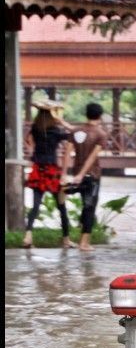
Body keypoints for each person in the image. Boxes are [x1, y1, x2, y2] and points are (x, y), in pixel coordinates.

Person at [22, 100, 74, 249]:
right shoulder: (56, 131)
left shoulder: (35, 128)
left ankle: (28, 235)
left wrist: (32, 151)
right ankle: (66, 239)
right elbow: (74, 133)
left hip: (38, 169)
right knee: (61, 207)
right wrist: (61, 121)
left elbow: (27, 139)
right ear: (52, 116)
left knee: (35, 206)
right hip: (52, 171)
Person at [65, 102, 108, 251]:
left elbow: (67, 152)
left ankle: (81, 235)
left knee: (85, 205)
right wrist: (83, 174)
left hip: (77, 172)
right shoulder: (100, 134)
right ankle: (84, 243)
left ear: (86, 114)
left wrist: (65, 173)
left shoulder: (76, 131)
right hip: (92, 175)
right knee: (90, 207)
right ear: (100, 116)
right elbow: (92, 157)